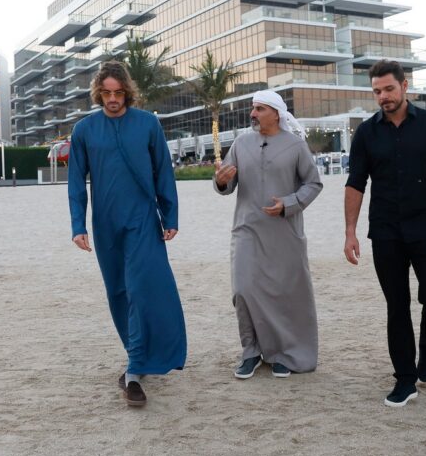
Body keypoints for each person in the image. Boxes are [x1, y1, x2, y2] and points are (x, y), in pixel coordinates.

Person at [67, 61, 187, 408]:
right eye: (106, 92)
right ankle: (139, 354)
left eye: (119, 92)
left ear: (127, 92)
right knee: (118, 292)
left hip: (142, 221)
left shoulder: (148, 124)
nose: (113, 99)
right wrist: (78, 225)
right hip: (106, 224)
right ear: (98, 93)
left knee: (142, 288)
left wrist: (170, 215)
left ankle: (134, 369)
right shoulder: (85, 130)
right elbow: (76, 184)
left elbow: (164, 171)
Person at [343, 60, 426, 407]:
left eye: (388, 89)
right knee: (397, 306)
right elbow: (355, 184)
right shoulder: (366, 133)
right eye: (377, 91)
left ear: (405, 86)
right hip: (386, 232)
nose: (383, 96)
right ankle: (404, 379)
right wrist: (350, 231)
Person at [213, 90, 323, 379]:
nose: (253, 114)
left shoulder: (296, 146)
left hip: (284, 233)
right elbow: (227, 182)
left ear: (276, 113)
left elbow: (313, 184)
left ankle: (283, 353)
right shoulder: (240, 143)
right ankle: (250, 352)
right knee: (243, 289)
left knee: (283, 294)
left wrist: (288, 203)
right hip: (247, 229)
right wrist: (221, 181)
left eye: (260, 109)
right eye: (253, 109)